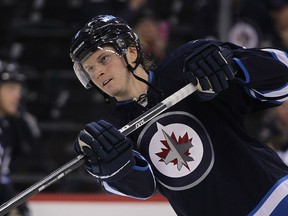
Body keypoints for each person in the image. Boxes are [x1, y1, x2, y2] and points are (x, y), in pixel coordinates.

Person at [69, 15, 288, 216]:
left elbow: (282, 73)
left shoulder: (186, 67)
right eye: (89, 69)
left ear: (131, 52)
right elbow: (143, 188)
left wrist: (235, 65)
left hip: (275, 199)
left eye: (103, 59)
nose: (97, 72)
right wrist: (107, 167)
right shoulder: (113, 132)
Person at [0, 60, 40, 216]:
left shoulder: (7, 126)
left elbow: (3, 176)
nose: (18, 95)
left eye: (18, 89)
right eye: (11, 88)